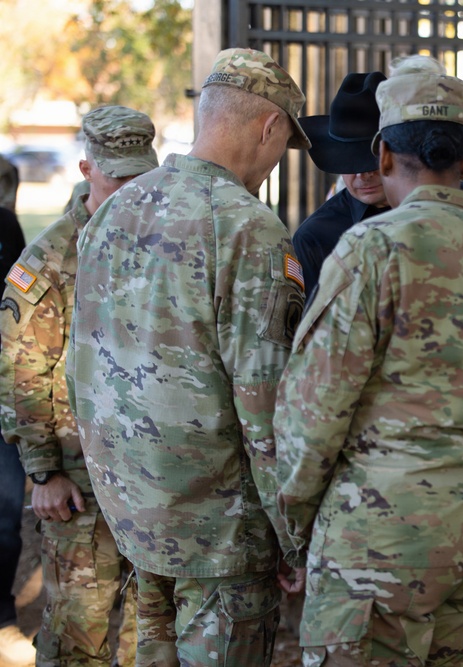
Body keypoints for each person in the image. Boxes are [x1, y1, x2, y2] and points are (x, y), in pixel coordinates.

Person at [274, 55, 463, 666]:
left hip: (382, 535)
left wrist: (292, 523)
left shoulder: (368, 251)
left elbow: (314, 411)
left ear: (382, 155)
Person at [65, 48, 310, 667]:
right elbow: (266, 407)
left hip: (136, 513)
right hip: (222, 535)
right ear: (269, 127)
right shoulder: (248, 228)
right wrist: (295, 535)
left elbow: (81, 362)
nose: (278, 159)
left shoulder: (112, 210)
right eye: (284, 144)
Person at [0, 105, 158, 667]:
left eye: (141, 178)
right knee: (76, 636)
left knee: (151, 636)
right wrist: (44, 472)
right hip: (79, 481)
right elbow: (21, 371)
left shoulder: (163, 242)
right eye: (119, 179)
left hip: (153, 477)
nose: (132, 192)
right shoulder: (49, 259)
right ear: (88, 170)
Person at [295, 70, 463, 297]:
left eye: (369, 160)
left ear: (388, 155)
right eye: (348, 162)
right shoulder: (315, 236)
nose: (362, 174)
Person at [0, 162, 30, 667]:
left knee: (5, 514)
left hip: (3, 390)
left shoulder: (6, 225)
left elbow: (20, 305)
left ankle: (2, 616)